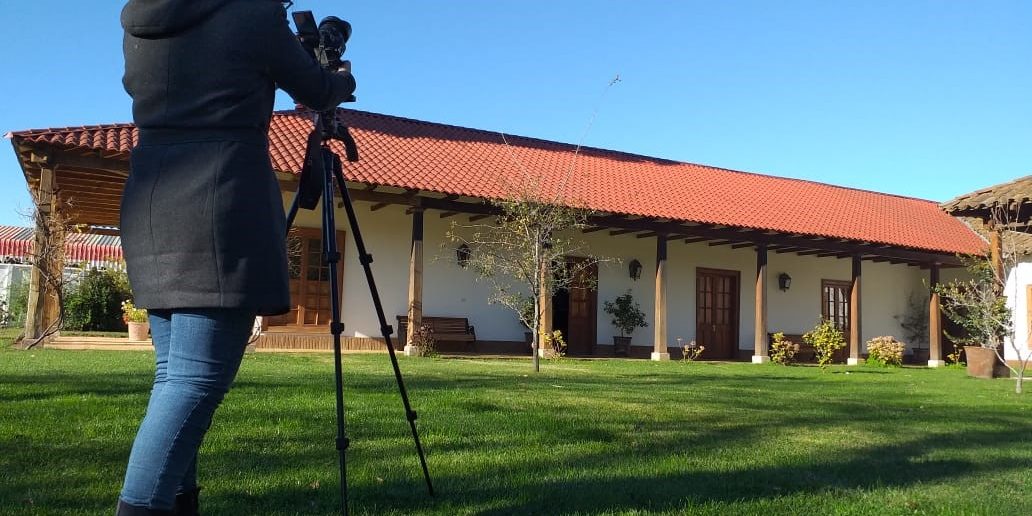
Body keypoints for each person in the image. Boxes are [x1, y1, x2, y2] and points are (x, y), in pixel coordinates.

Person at [117, 0, 356, 514]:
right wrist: (340, 77)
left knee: (174, 378)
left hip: (152, 202)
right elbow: (315, 90)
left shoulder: (142, 23)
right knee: (193, 382)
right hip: (220, 198)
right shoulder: (251, 15)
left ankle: (176, 504)